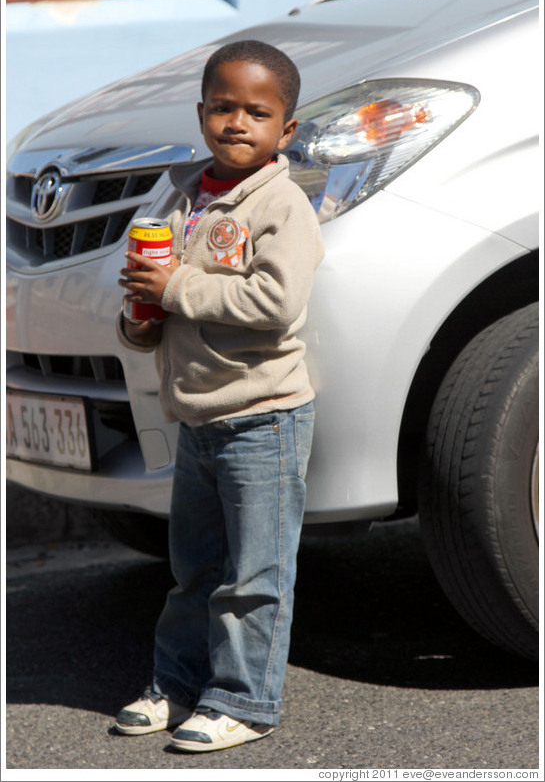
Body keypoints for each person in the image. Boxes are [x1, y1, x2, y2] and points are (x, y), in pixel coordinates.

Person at [114, 40, 324, 753]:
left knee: (253, 572)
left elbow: (275, 300)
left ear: (284, 130)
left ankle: (244, 698)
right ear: (201, 112)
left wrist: (172, 289)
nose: (237, 122)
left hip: (262, 417)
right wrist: (141, 314)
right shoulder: (181, 196)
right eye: (223, 107)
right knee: (193, 571)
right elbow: (158, 289)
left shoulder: (282, 204)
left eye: (257, 112)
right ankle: (175, 685)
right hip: (199, 416)